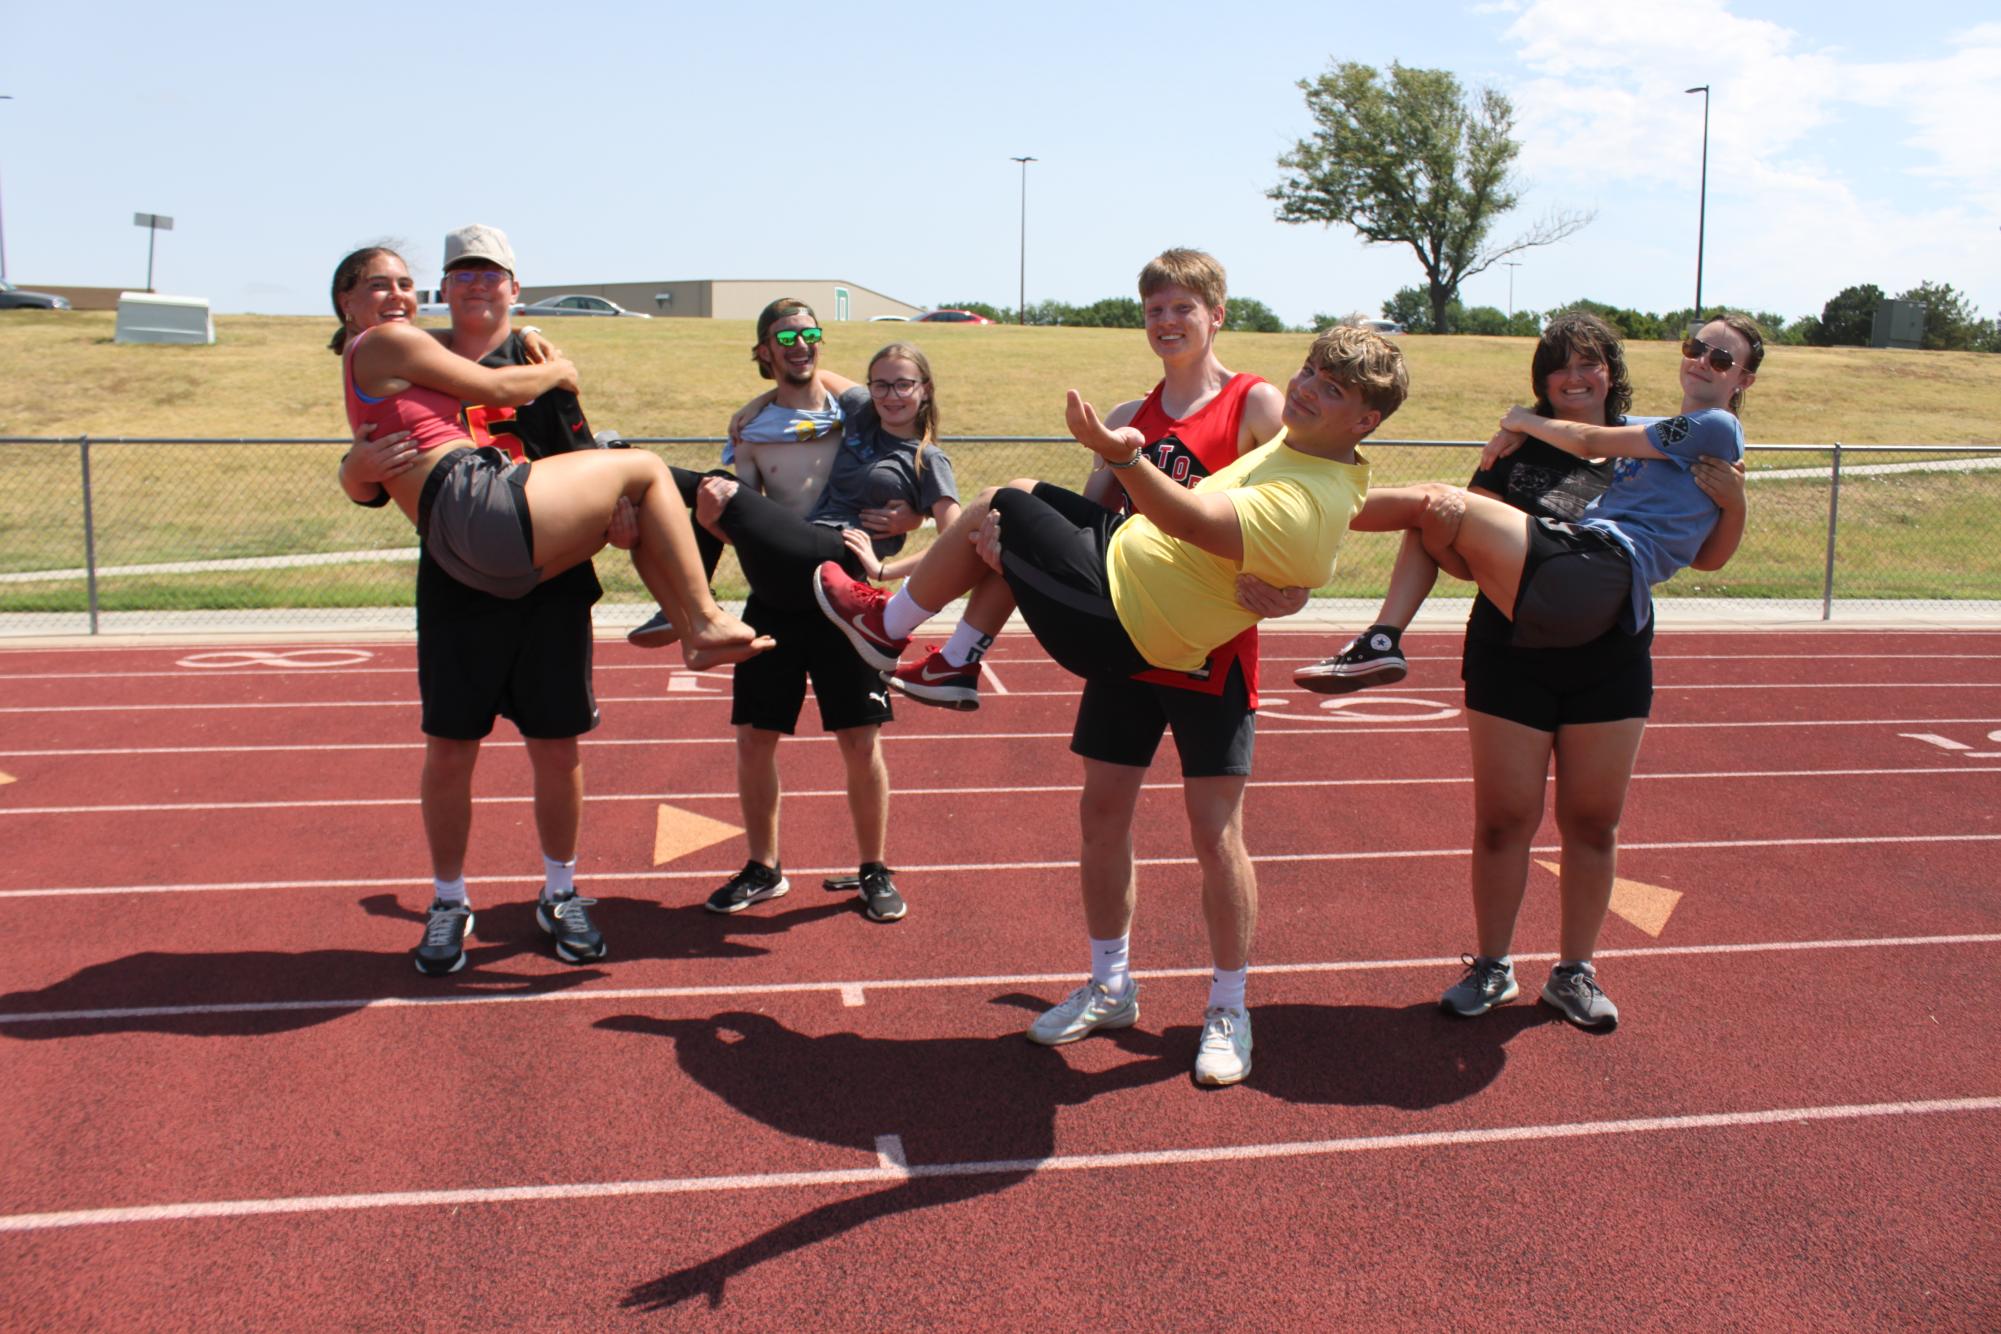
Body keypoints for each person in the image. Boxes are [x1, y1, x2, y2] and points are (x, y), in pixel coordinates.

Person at [815, 323, 1406, 1084]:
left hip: (1202, 649)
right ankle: (1108, 983)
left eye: (1183, 305)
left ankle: (1229, 1006)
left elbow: (1297, 512)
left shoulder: (1254, 402)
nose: (1168, 320)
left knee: (1216, 834)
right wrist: (1021, 554)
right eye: (1154, 304)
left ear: (1213, 313)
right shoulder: (1145, 405)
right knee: (1100, 811)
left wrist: (1295, 589)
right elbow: (1100, 508)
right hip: (1128, 588)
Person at [331, 241, 770, 973]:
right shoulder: (410, 351)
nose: (471, 287)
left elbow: (584, 468)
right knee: (449, 749)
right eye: (458, 275)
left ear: (514, 288)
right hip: (459, 561)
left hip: (540, 571)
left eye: (488, 275)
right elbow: (370, 481)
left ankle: (561, 890)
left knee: (557, 747)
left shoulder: (509, 364)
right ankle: (448, 901)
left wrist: (616, 524)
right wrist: (352, 469)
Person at [1343, 313, 1763, 1028]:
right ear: (1541, 377)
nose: (1575, 377)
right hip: (1512, 643)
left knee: (1592, 823)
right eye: (1693, 347)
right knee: (1504, 820)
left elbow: (1706, 553)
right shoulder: (1521, 453)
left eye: (1590, 363)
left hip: (1608, 649)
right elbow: (1458, 548)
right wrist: (1513, 438)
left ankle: (1573, 972)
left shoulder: (1653, 440)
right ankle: (1491, 965)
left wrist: (1735, 500)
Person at [652, 304, 957, 924]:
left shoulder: (854, 413)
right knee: (755, 738)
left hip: (845, 590)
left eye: (811, 334)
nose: (801, 346)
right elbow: (748, 527)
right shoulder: (754, 428)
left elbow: (886, 396)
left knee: (859, 738)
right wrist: (715, 519)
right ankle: (763, 867)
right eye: (786, 337)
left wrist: (907, 527)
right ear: (763, 349)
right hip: (778, 595)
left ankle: (874, 867)